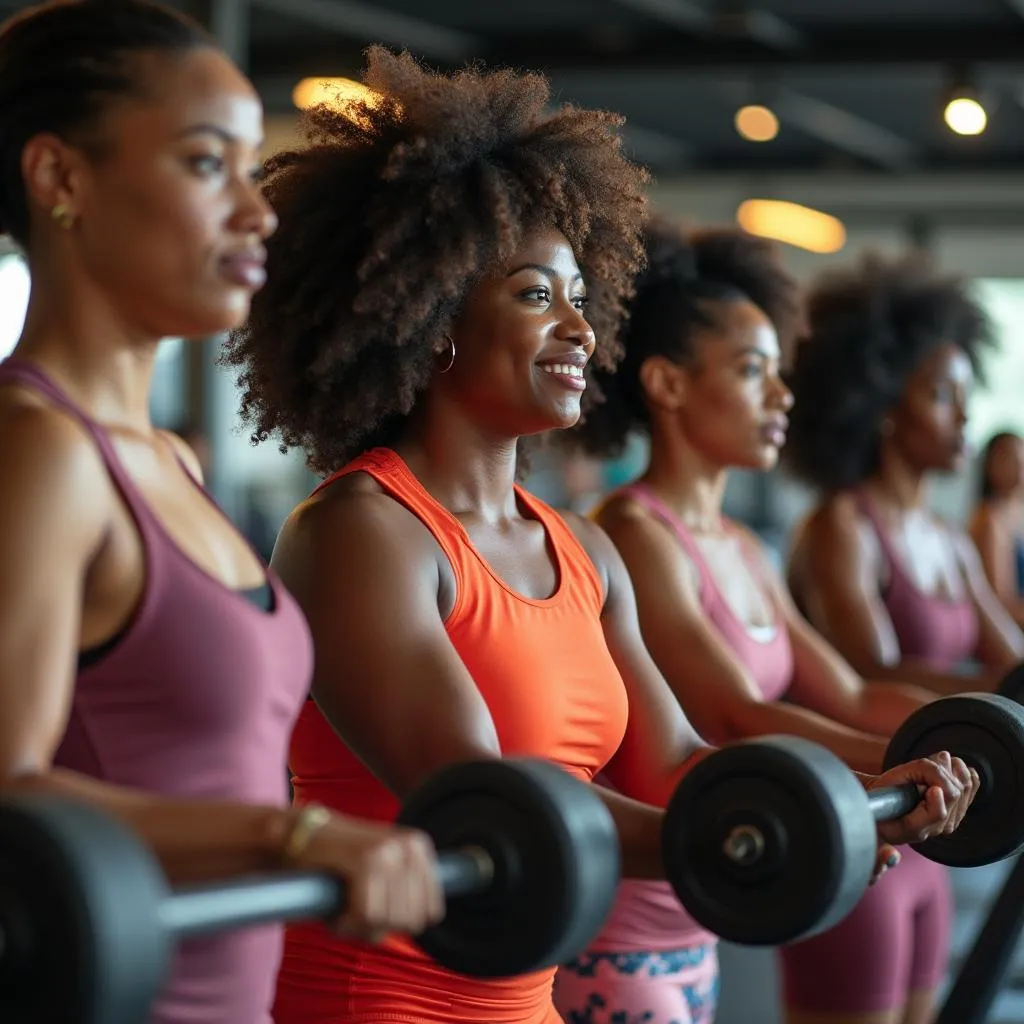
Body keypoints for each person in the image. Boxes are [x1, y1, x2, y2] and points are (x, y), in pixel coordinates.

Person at [224, 51, 976, 1024]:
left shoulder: (584, 549)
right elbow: (487, 794)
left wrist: (856, 788)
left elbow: (672, 758)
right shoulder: (360, 533)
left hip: (529, 999)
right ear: (435, 316)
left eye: (581, 294)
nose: (582, 328)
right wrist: (777, 827)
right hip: (380, 1001)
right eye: (537, 293)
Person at [0, 4, 446, 1023]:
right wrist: (291, 836)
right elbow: (7, 782)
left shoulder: (171, 461)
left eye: (254, 168)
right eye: (208, 165)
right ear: (62, 179)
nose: (257, 213)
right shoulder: (38, 448)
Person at [563, 219, 974, 1024]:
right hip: (625, 927)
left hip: (696, 924)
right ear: (668, 385)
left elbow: (850, 695)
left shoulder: (745, 546)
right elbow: (731, 714)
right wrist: (904, 767)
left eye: (779, 373)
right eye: (754, 372)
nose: (783, 396)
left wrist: (968, 737)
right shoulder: (636, 534)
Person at [785, 253, 1024, 694]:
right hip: (877, 755)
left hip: (953, 748)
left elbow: (1011, 660)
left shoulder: (950, 542)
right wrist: (997, 692)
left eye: (966, 396)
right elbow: (869, 676)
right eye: (941, 396)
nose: (965, 416)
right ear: (883, 407)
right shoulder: (844, 526)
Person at [969, 430, 1024, 627]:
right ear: (990, 465)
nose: (1020, 468)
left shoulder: (1016, 515)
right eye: (1011, 460)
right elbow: (999, 605)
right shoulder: (989, 520)